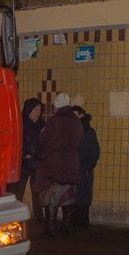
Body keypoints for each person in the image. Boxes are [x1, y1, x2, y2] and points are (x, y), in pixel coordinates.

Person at [33, 93, 83, 237]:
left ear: (57, 106)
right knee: (67, 195)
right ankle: (67, 226)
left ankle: (51, 228)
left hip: (55, 165)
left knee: (51, 196)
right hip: (71, 163)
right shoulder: (76, 121)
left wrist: (40, 155)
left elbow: (48, 143)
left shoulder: (56, 121)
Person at [71, 105, 100, 230]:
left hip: (84, 169)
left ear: (81, 115)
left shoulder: (89, 132)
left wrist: (88, 166)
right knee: (77, 196)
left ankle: (82, 224)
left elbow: (95, 152)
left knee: (83, 196)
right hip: (77, 168)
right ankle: (77, 223)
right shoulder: (75, 130)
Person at [10, 97, 44, 202]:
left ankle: (38, 217)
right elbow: (15, 142)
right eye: (36, 110)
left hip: (37, 162)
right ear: (29, 110)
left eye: (40, 110)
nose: (38, 113)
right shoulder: (20, 124)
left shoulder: (41, 124)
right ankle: (16, 215)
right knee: (18, 191)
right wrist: (24, 154)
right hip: (23, 163)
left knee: (37, 191)